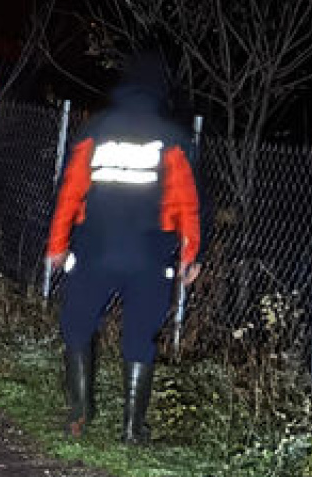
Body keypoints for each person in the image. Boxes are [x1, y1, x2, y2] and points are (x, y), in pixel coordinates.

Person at [45, 45, 201, 443]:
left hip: (95, 249)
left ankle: (79, 412)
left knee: (77, 324)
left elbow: (70, 193)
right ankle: (133, 428)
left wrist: (57, 246)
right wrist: (189, 256)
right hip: (150, 255)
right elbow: (188, 203)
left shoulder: (96, 129)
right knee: (140, 335)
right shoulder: (172, 137)